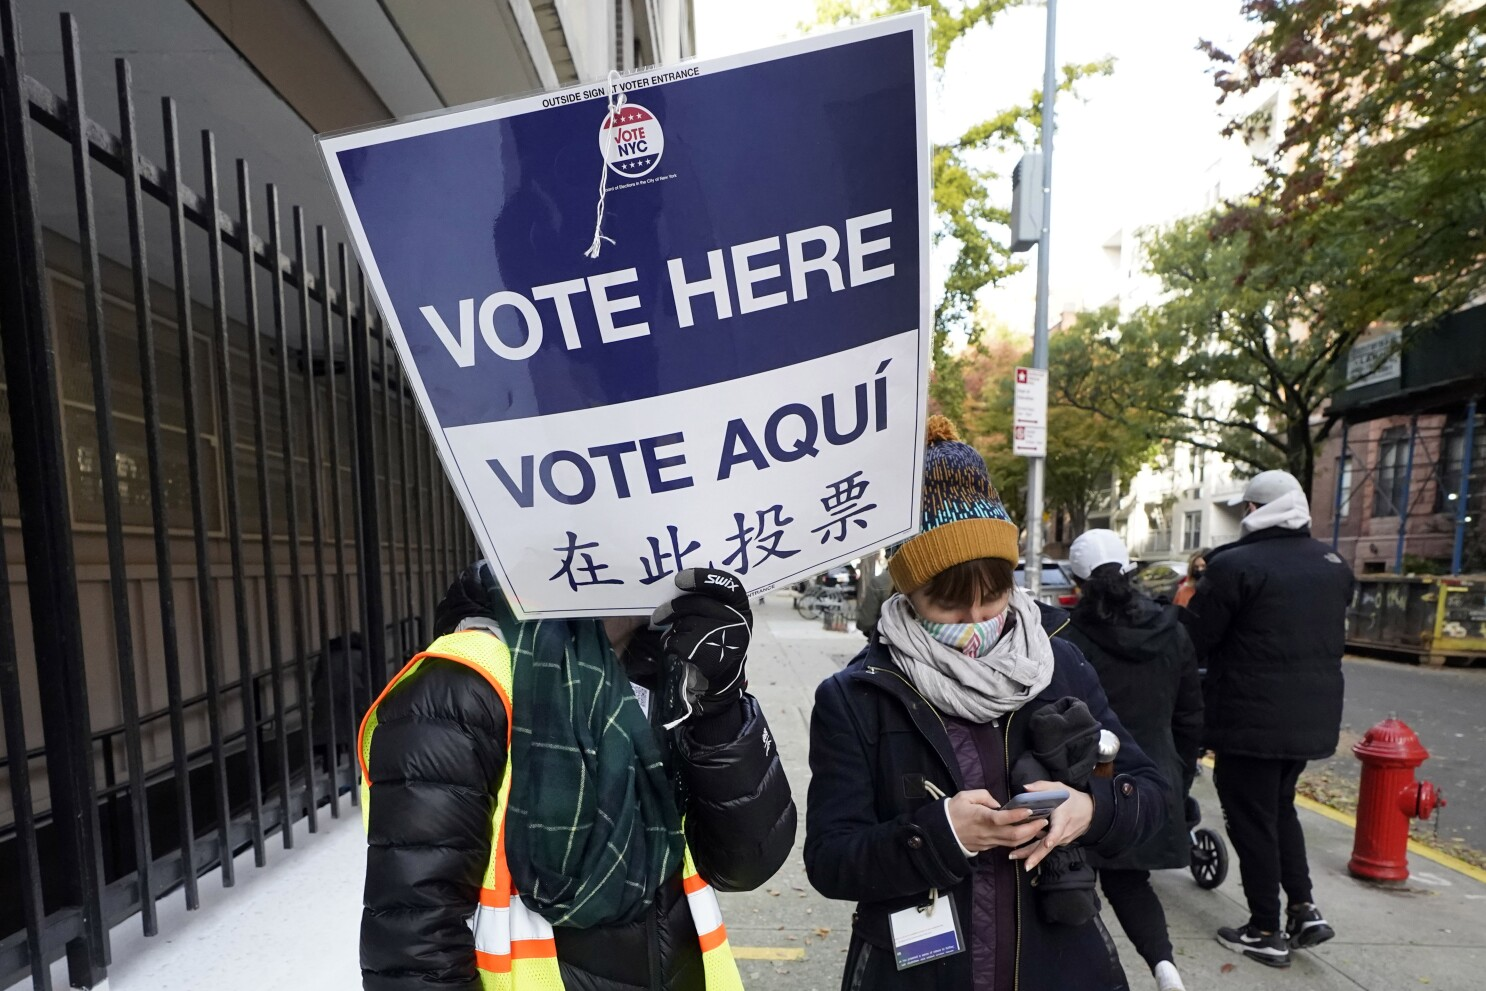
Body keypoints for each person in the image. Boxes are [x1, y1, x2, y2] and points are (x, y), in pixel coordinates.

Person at [805, 415, 1167, 991]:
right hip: (918, 970)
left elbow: (1153, 797)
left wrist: (1092, 808)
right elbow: (830, 860)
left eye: (993, 595)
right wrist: (943, 832)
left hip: (1061, 962)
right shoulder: (856, 697)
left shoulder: (1059, 665)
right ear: (907, 590)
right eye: (947, 604)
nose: (975, 620)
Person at [359, 563, 796, 990]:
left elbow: (745, 864)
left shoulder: (670, 669)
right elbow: (412, 946)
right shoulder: (463, 686)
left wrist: (721, 703)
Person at [1182, 470, 1353, 969]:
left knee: (1251, 819)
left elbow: (1198, 637)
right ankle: (1303, 909)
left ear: (1257, 511)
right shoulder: (1333, 564)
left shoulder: (1236, 566)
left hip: (1248, 719)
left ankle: (1264, 929)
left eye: (1246, 509)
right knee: (1280, 809)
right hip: (1310, 719)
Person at [1064, 530, 1204, 991]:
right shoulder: (1174, 630)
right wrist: (1179, 779)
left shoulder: (1068, 637)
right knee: (1130, 880)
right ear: (1130, 570)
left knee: (1068, 885)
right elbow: (1189, 717)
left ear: (1075, 579)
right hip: (1152, 769)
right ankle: (1165, 968)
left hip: (1083, 773)